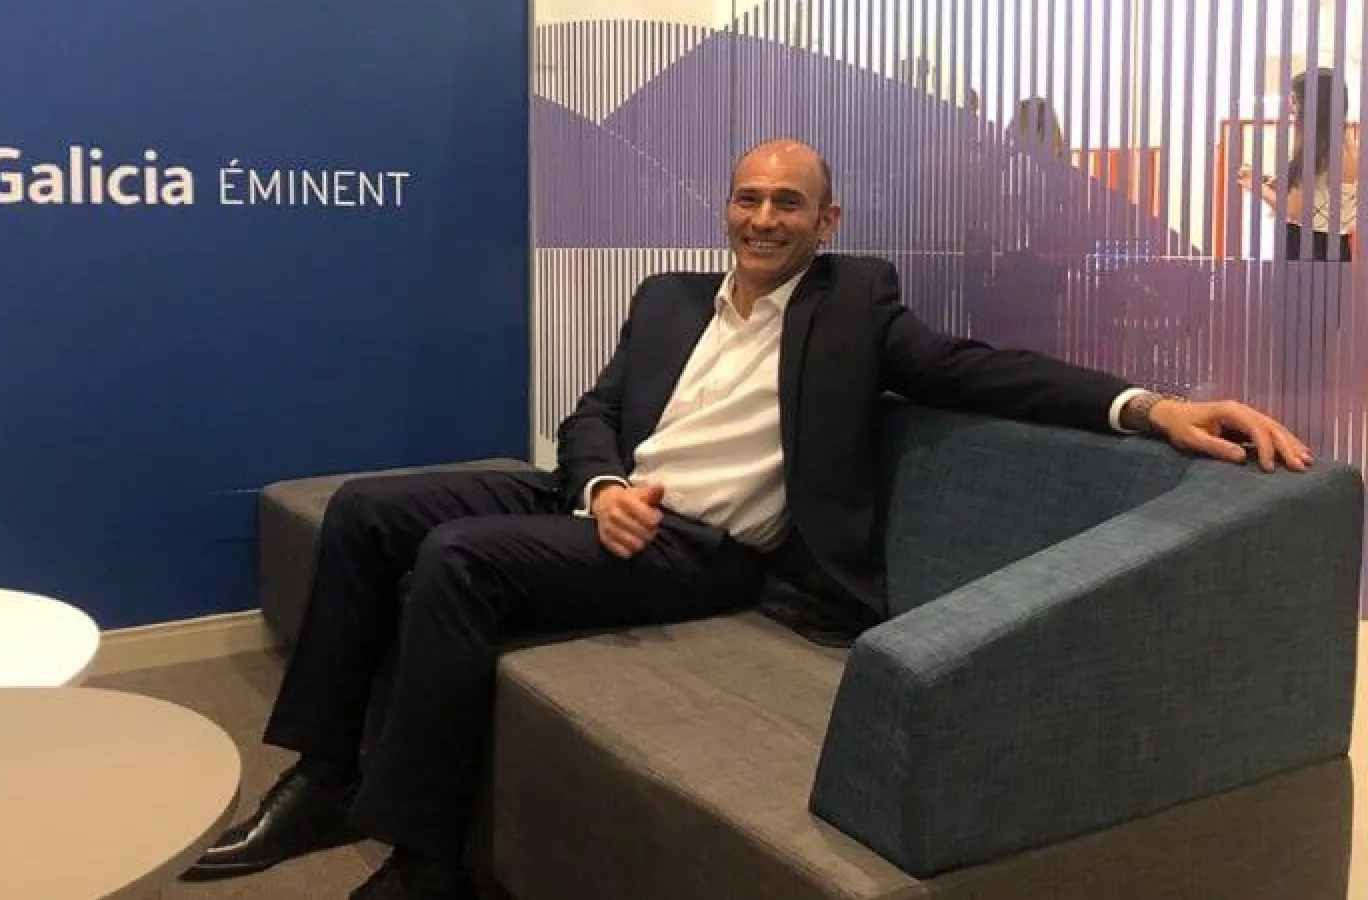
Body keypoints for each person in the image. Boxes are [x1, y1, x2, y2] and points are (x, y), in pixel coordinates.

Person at [181, 139, 1311, 900]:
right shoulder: (670, 298)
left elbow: (986, 371)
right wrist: (598, 488)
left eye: (787, 203)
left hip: (703, 550)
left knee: (458, 559)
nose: (763, 218)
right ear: (727, 207)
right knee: (370, 510)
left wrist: (1153, 405)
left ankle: (426, 860)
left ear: (827, 219)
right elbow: (593, 414)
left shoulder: (857, 308)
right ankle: (324, 777)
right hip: (610, 499)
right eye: (747, 198)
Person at [1237, 68, 1360, 261]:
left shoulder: (1317, 149)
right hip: (1338, 248)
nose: (1289, 107)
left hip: (1306, 248)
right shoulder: (1348, 143)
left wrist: (1252, 183)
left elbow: (1293, 209)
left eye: (1294, 100)